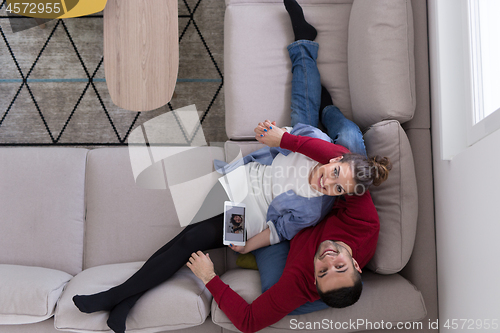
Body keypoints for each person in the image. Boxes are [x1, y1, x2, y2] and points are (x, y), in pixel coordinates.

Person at [72, 1, 391, 332]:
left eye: (322, 271)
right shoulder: (359, 217)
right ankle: (320, 85)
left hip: (257, 214)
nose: (326, 261)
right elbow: (334, 159)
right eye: (337, 265)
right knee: (332, 130)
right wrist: (283, 140)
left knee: (192, 237)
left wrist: (215, 275)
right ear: (353, 262)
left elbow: (253, 313)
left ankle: (120, 298)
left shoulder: (302, 274)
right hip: (277, 168)